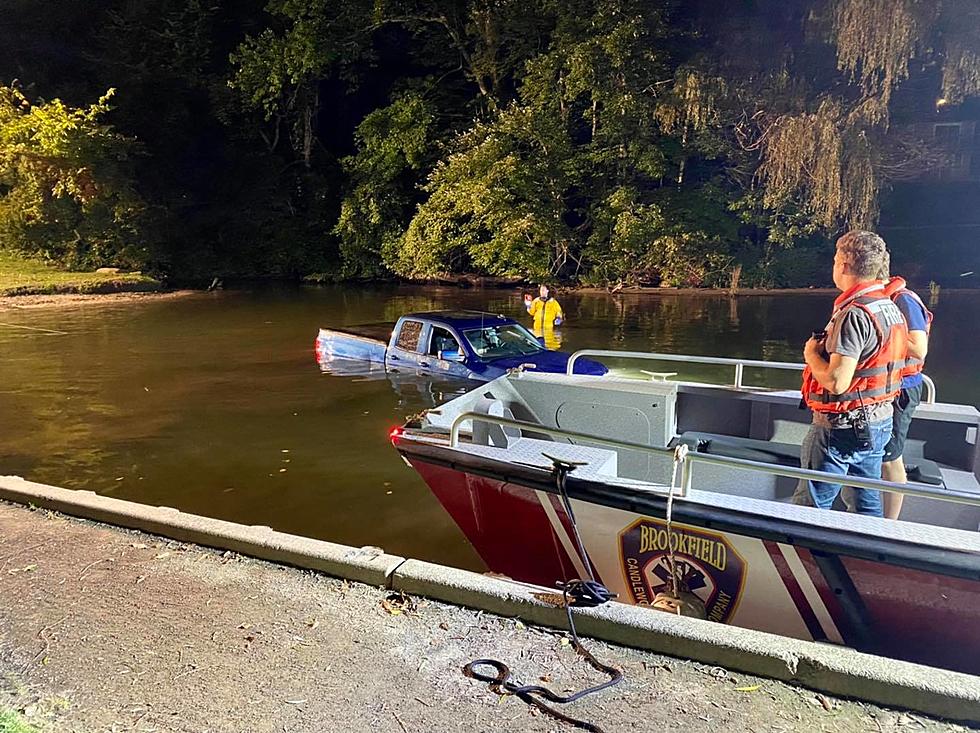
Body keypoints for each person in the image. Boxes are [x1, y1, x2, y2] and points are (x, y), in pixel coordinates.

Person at [793, 231, 908, 517]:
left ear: (844, 265)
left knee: (812, 503)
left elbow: (836, 381)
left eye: (834, 260)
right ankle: (864, 555)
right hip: (879, 419)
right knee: (865, 501)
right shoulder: (889, 307)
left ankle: (807, 558)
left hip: (843, 425)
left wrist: (810, 355)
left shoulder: (854, 313)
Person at [879, 272, 933, 519]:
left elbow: (919, 349)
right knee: (879, 454)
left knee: (891, 457)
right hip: (884, 385)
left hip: (903, 387)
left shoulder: (904, 300)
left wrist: (883, 331)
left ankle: (890, 524)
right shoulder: (882, 298)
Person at [525, 284, 564, 349]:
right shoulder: (536, 301)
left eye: (543, 290)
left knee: (548, 344)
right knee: (538, 345)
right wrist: (528, 306)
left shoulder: (553, 302)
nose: (542, 292)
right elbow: (531, 312)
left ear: (547, 291)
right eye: (541, 290)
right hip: (537, 328)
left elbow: (559, 312)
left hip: (548, 329)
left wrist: (559, 318)